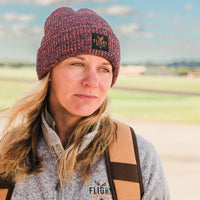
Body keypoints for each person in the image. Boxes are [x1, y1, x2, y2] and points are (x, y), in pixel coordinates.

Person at [0, 7, 170, 200]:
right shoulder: (7, 156)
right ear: (49, 73)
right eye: (78, 64)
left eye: (104, 69)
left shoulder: (138, 158)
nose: (92, 81)